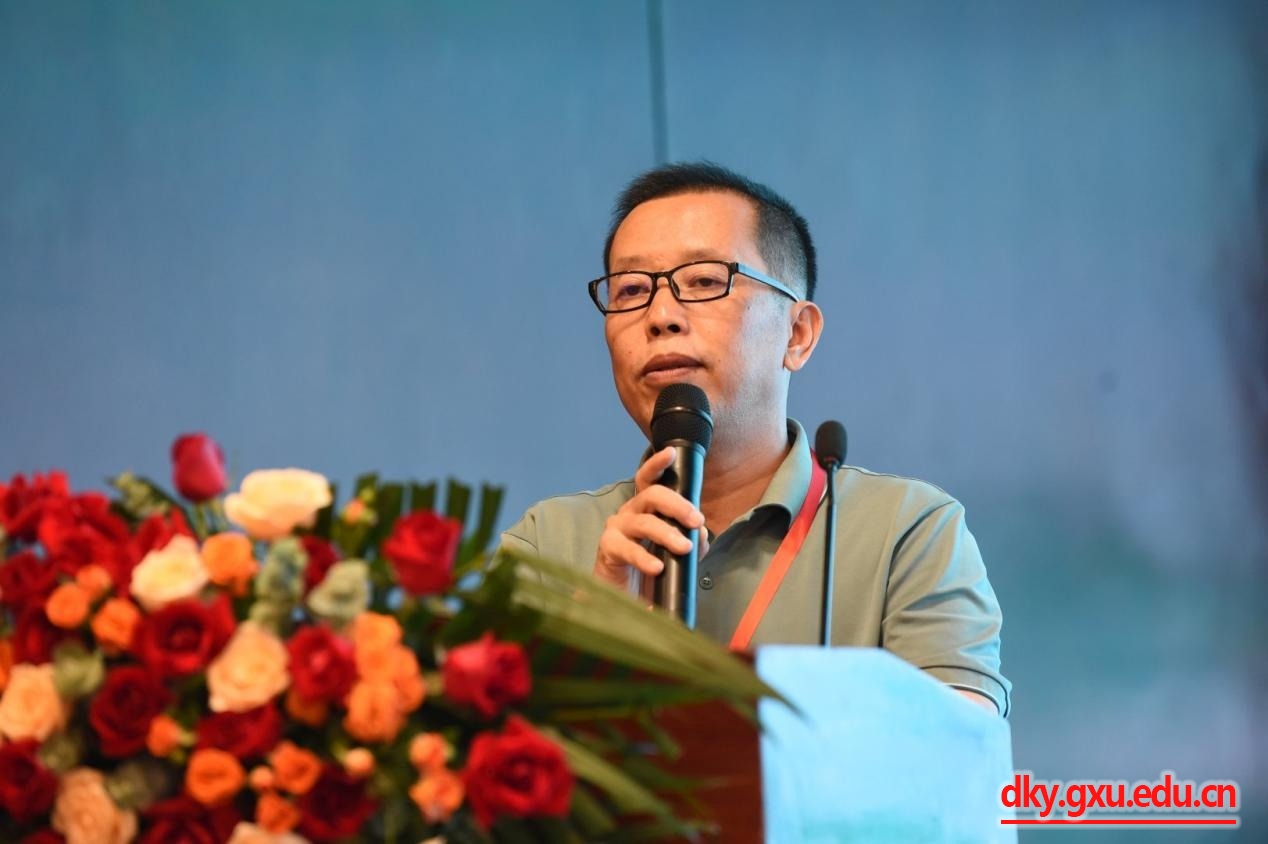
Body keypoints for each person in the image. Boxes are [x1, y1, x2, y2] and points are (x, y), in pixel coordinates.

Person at [500, 162, 1010, 716]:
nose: (660, 315)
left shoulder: (907, 532)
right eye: (631, 289)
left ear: (797, 334)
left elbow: (962, 744)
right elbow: (475, 748)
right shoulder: (547, 545)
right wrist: (591, 629)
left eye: (704, 281)